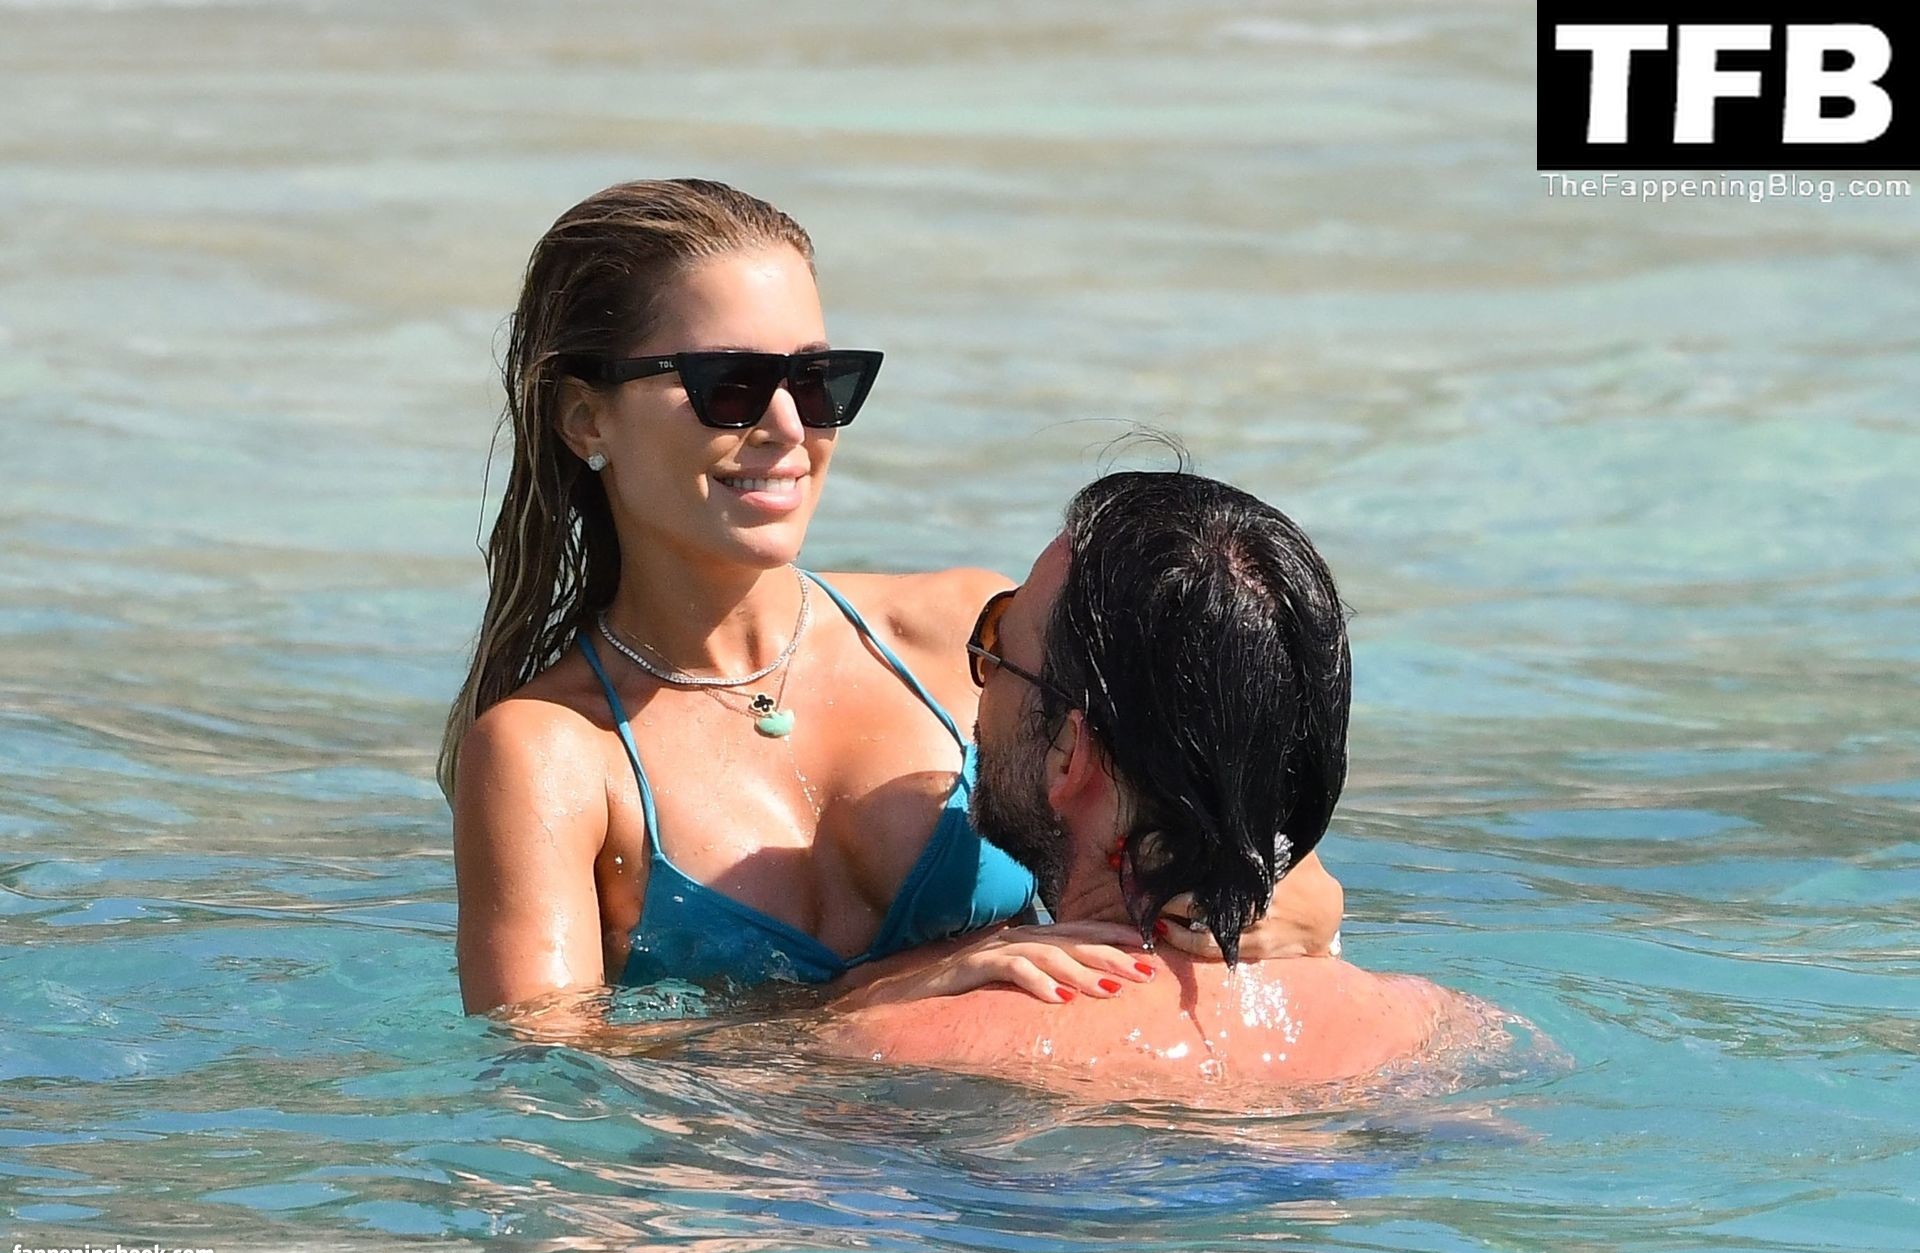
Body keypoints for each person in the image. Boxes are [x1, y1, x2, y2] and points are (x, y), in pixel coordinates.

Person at [444, 179, 1346, 1017]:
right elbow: (545, 1063)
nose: (789, 427)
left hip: (1017, 1131)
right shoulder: (549, 754)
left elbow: (1234, 838)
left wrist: (1284, 898)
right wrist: (885, 993)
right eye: (730, 385)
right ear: (585, 418)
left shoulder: (969, 636)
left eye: (817, 382)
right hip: (741, 1147)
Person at [827, 471, 1497, 1093]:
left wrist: (868, 1000)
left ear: (1068, 756)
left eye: (999, 643)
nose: (981, 675)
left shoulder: (905, 1044)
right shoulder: (1443, 1030)